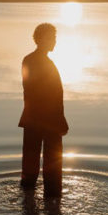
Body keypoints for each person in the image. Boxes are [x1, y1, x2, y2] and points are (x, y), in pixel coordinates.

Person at [19, 23, 69, 197]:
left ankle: (27, 198)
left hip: (32, 118)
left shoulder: (28, 60)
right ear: (40, 39)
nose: (54, 41)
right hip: (48, 121)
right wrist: (60, 120)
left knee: (30, 164)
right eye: (51, 38)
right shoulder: (42, 62)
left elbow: (30, 91)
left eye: (55, 38)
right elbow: (48, 94)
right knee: (53, 166)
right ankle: (52, 200)